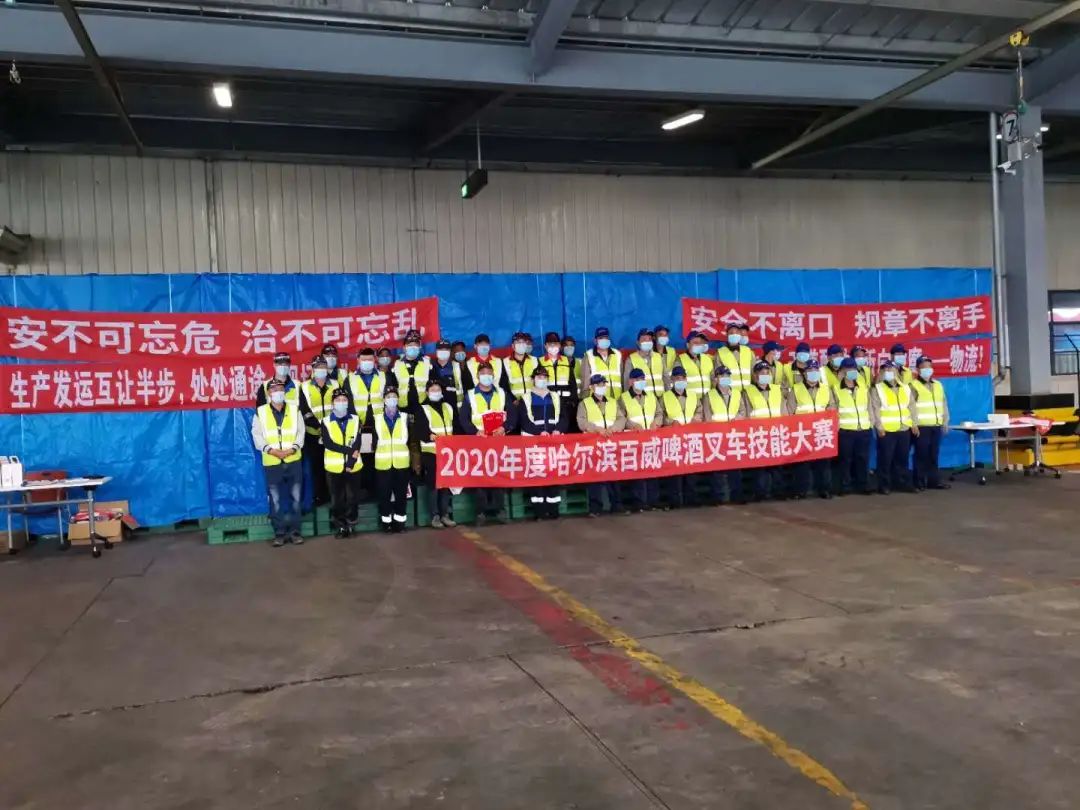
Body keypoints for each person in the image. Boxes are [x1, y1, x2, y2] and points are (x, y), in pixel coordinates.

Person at [458, 360, 515, 524]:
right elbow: (464, 418)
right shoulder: (470, 395)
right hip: (479, 442)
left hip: (498, 441)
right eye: (483, 374)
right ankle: (481, 512)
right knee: (480, 478)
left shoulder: (502, 393)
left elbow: (512, 414)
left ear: (493, 375)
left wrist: (504, 428)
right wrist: (475, 431)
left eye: (489, 374)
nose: (486, 376)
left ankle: (500, 510)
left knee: (499, 476)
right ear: (477, 376)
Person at [251, 379, 306, 547]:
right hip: (272, 462)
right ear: (269, 393)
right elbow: (257, 435)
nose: (278, 392)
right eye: (274, 389)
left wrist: (292, 449)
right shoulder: (260, 412)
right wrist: (272, 451)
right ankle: (279, 534)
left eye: (281, 389)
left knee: (296, 498)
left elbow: (301, 432)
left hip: (293, 460)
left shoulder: (295, 410)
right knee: (275, 500)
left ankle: (295, 533)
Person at [516, 366, 568, 519]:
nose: (542, 380)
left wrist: (558, 429)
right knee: (537, 476)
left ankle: (553, 510)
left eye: (544, 377)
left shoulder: (555, 397)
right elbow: (524, 421)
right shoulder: (526, 398)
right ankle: (539, 511)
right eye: (539, 377)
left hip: (553, 443)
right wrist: (539, 432)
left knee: (553, 475)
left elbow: (564, 417)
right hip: (534, 443)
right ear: (533, 379)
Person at [577, 373, 628, 517]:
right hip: (593, 444)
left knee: (614, 476)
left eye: (603, 384)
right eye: (599, 384)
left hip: (611, 444)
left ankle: (617, 505)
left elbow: (621, 418)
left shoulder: (612, 401)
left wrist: (613, 428)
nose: (602, 387)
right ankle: (595, 508)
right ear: (592, 387)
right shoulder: (584, 403)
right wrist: (597, 429)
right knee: (594, 477)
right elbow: (581, 422)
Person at [787, 359, 836, 499]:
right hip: (803, 431)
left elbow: (832, 407)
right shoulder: (796, 389)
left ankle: (824, 489)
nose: (813, 373)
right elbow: (790, 411)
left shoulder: (826, 389)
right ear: (804, 373)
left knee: (823, 462)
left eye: (815, 370)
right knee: (802, 463)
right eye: (810, 370)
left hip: (821, 430)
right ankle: (801, 490)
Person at [743, 360, 789, 500]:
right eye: (761, 372)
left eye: (767, 372)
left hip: (776, 432)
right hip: (758, 434)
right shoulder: (748, 391)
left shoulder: (776, 389)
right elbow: (746, 413)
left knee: (777, 465)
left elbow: (784, 411)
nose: (765, 375)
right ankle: (760, 493)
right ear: (755, 375)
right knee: (760, 466)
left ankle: (778, 491)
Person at [321, 387, 363, 537]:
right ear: (333, 403)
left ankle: (351, 524)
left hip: (354, 465)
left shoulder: (356, 419)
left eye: (344, 400)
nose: (341, 402)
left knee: (352, 498)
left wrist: (351, 462)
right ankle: (340, 526)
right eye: (338, 400)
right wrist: (348, 450)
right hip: (334, 467)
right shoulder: (326, 421)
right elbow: (328, 443)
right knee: (336, 499)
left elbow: (357, 442)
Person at [702, 364, 747, 506]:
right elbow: (707, 416)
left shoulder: (736, 393)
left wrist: (737, 419)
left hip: (734, 435)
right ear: (716, 378)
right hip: (717, 436)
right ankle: (718, 496)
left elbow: (743, 411)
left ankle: (736, 494)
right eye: (722, 375)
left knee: (735, 467)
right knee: (717, 468)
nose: (725, 378)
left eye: (727, 375)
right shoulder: (709, 395)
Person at [416, 379, 458, 528]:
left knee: (446, 484)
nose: (436, 392)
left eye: (438, 389)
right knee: (434, 485)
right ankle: (435, 516)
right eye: (432, 390)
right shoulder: (423, 409)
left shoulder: (448, 407)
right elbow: (419, 430)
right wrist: (429, 435)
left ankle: (445, 514)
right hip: (431, 453)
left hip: (447, 453)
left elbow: (455, 427)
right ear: (427, 392)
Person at [619, 367, 662, 512]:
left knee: (652, 470)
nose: (641, 382)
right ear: (631, 382)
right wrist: (632, 425)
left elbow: (659, 413)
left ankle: (653, 501)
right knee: (638, 472)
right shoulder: (624, 398)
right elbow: (621, 418)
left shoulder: (651, 396)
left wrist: (656, 422)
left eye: (642, 379)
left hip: (651, 439)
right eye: (637, 379)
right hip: (634, 440)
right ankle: (639, 502)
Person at [661, 365, 703, 509]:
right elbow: (662, 415)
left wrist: (696, 419)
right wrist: (671, 422)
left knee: (691, 470)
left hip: (691, 438)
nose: (680, 380)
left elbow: (699, 410)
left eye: (682, 378)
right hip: (674, 438)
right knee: (675, 471)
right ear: (672, 380)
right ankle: (675, 500)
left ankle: (691, 498)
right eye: (677, 378)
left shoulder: (693, 395)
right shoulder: (665, 397)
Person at [370, 385, 411, 533]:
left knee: (401, 494)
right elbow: (374, 442)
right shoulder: (376, 418)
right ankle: (386, 522)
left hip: (401, 462)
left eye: (394, 396)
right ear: (384, 400)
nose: (391, 399)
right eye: (388, 397)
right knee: (384, 495)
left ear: (398, 399)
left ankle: (400, 523)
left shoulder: (405, 418)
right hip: (383, 463)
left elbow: (410, 439)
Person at [871, 360, 914, 495]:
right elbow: (875, 409)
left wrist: (914, 424)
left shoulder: (905, 388)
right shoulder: (877, 389)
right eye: (886, 370)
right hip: (886, 430)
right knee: (885, 459)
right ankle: (884, 485)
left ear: (897, 372)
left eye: (891, 369)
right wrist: (879, 427)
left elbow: (912, 407)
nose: (889, 372)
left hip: (904, 428)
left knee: (902, 458)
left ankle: (901, 483)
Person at [299, 354, 337, 507]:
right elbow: (304, 410)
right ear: (312, 369)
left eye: (323, 366)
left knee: (333, 466)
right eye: (318, 367)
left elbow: (340, 404)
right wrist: (318, 426)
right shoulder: (304, 386)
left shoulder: (335, 384)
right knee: (316, 467)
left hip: (333, 433)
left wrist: (329, 427)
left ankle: (333, 496)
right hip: (313, 434)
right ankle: (319, 497)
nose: (321, 369)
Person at [909, 356, 951, 491]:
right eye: (923, 367)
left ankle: (934, 481)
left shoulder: (938, 385)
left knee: (933, 454)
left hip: (936, 425)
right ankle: (919, 482)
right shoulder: (913, 386)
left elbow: (943, 404)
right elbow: (910, 407)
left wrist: (945, 421)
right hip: (921, 427)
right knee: (921, 455)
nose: (927, 369)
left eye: (929, 366)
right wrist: (913, 424)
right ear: (917, 369)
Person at [348, 347, 386, 496]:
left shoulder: (383, 376)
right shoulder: (350, 378)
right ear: (358, 360)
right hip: (359, 425)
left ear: (375, 360)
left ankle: (376, 490)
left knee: (378, 455)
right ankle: (362, 490)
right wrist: (355, 422)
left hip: (379, 425)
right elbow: (348, 402)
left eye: (370, 359)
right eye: (364, 359)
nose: (367, 362)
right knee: (359, 456)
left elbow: (390, 397)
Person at [835, 357, 874, 496]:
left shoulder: (862, 387)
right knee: (845, 460)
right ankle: (845, 486)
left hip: (863, 428)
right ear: (842, 371)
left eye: (853, 368)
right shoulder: (836, 389)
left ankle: (863, 485)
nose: (852, 370)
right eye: (848, 368)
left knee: (862, 458)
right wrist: (837, 428)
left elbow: (869, 406)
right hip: (846, 430)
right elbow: (834, 410)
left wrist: (871, 423)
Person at [579, 327, 623, 400]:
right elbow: (585, 384)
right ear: (595, 341)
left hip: (617, 400)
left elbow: (622, 380)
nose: (604, 340)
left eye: (606, 338)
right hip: (598, 400)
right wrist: (586, 401)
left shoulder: (617, 354)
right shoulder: (588, 356)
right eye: (601, 338)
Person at [394, 329, 430, 414]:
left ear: (419, 347)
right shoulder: (397, 364)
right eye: (410, 345)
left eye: (415, 345)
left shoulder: (427, 363)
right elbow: (394, 386)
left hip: (423, 406)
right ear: (404, 347)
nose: (413, 347)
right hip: (403, 408)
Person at [624, 327, 666, 395]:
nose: (647, 342)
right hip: (644, 399)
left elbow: (666, 378)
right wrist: (629, 398)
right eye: (644, 339)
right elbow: (627, 383)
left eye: (649, 339)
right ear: (638, 342)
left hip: (661, 398)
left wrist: (668, 396)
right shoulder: (631, 359)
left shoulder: (659, 357)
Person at [539, 331, 575, 407]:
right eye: (550, 344)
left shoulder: (566, 361)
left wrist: (574, 400)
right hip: (548, 402)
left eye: (555, 344)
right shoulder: (540, 362)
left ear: (559, 345)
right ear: (545, 346)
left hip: (566, 402)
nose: (553, 346)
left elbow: (572, 383)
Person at [716, 322, 754, 390]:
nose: (734, 335)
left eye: (737, 332)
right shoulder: (720, 353)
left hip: (748, 392)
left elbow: (754, 373)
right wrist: (726, 392)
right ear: (727, 335)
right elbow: (719, 377)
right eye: (731, 333)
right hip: (731, 393)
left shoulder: (748, 351)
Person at [678, 330, 714, 398]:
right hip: (690, 400)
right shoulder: (680, 360)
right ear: (688, 345)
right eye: (695, 342)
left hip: (707, 400)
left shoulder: (708, 359)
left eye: (700, 343)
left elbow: (713, 381)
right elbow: (677, 384)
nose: (699, 345)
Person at [503, 331, 538, 400]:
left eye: (523, 342)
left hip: (532, 400)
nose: (521, 344)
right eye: (518, 342)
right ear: (513, 346)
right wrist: (513, 399)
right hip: (515, 401)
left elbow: (539, 380)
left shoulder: (534, 360)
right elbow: (504, 384)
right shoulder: (505, 362)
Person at [430, 339, 464, 405]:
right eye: (441, 349)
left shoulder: (457, 366)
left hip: (454, 404)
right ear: (436, 351)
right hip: (435, 404)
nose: (443, 352)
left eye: (446, 349)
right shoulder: (429, 365)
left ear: (450, 351)